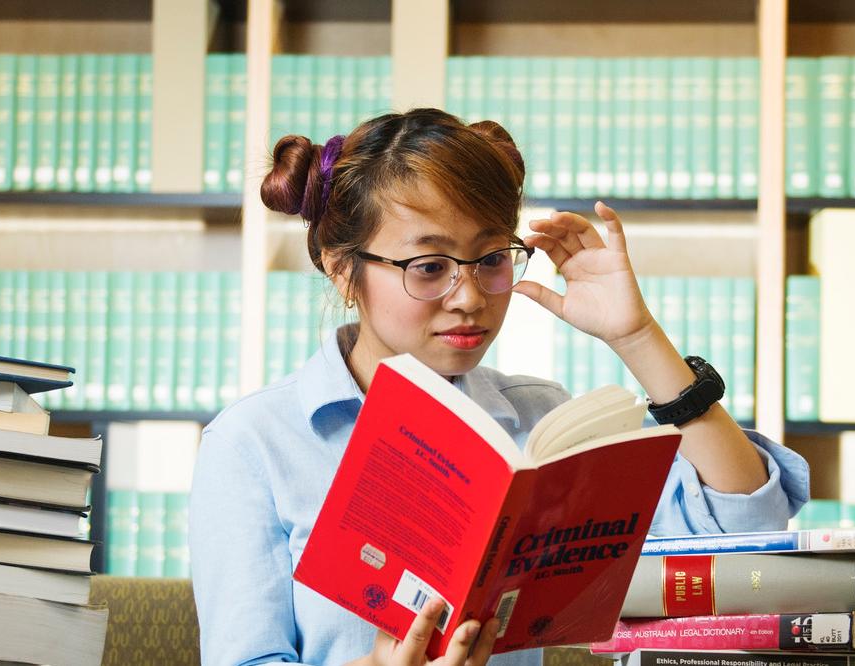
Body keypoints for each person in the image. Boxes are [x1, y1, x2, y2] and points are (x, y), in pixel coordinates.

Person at [190, 108, 810, 666]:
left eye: (491, 259)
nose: (468, 298)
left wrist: (637, 336)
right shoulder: (254, 443)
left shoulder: (540, 422)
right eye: (428, 267)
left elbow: (744, 526)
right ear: (341, 266)